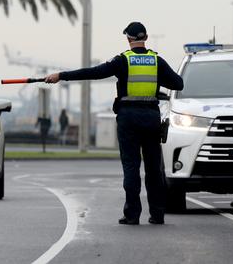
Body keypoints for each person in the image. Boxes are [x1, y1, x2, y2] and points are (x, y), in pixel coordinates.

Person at [45, 22, 184, 225]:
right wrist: (156, 83)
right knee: (154, 168)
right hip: (151, 118)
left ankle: (132, 214)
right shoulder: (156, 61)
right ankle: (157, 213)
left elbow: (93, 72)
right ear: (145, 38)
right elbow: (178, 83)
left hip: (128, 118)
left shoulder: (122, 61)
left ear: (128, 38)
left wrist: (61, 76)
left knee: (131, 166)